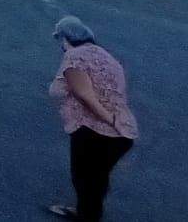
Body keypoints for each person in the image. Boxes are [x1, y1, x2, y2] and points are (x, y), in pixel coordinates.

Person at [45, 16, 138, 221]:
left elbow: (78, 94)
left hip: (95, 130)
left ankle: (87, 215)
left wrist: (108, 120)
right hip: (124, 131)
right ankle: (87, 212)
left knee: (84, 179)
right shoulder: (105, 56)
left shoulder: (74, 57)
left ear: (64, 38)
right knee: (97, 178)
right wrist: (117, 122)